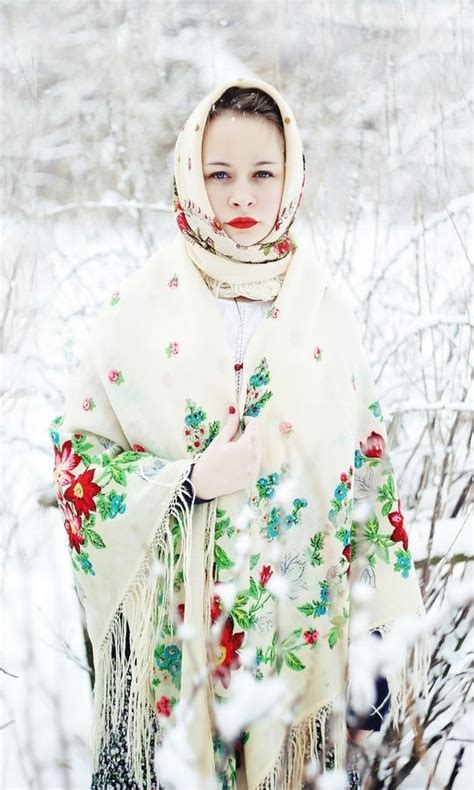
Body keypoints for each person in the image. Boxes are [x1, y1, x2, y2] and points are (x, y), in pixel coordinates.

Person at [49, 77, 428, 790]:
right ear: (191, 175)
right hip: (174, 655)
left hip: (295, 661)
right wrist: (186, 482)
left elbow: (368, 474)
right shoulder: (135, 310)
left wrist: (372, 639)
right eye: (219, 174)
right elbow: (77, 465)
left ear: (291, 177)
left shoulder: (327, 314)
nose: (242, 197)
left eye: (262, 173)